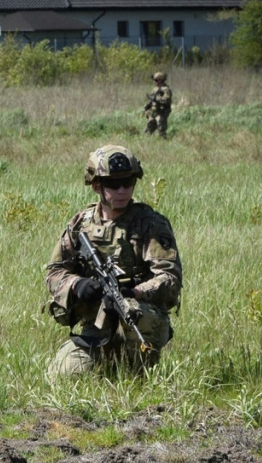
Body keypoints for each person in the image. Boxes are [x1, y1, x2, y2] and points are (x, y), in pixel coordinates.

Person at [44, 145, 182, 377]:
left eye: (128, 183)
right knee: (61, 376)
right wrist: (78, 285)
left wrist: (135, 292)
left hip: (139, 318)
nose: (122, 190)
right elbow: (55, 272)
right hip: (96, 326)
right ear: (97, 186)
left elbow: (169, 277)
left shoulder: (151, 224)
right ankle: (106, 362)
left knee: (136, 321)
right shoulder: (81, 224)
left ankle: (139, 373)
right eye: (113, 184)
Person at [144, 71, 172, 138]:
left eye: (156, 80)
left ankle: (164, 142)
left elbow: (167, 100)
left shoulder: (165, 89)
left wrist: (156, 98)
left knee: (161, 129)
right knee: (148, 129)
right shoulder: (155, 89)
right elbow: (152, 100)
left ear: (161, 80)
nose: (155, 82)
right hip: (153, 112)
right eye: (155, 80)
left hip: (161, 111)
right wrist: (148, 106)